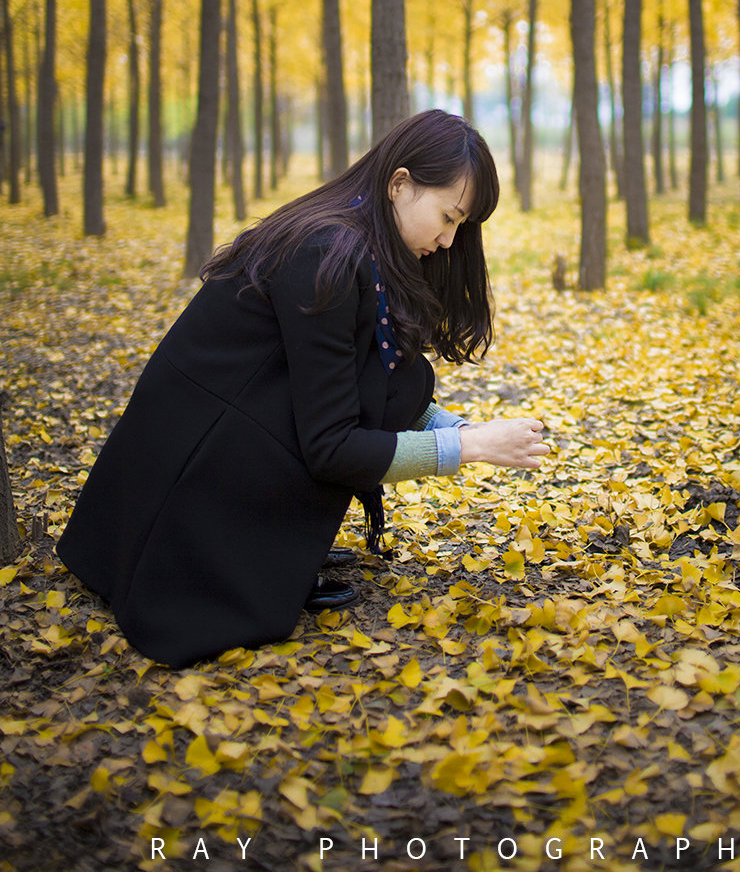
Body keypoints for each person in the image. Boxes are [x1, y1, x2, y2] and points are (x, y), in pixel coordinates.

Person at [57, 110, 548, 668]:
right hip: (187, 474)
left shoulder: (366, 248)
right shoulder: (328, 255)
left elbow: (373, 387)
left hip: (225, 447)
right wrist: (474, 447)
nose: (449, 238)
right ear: (401, 184)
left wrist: (464, 430)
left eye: (461, 225)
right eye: (448, 216)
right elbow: (332, 446)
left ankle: (260, 556)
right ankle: (225, 563)